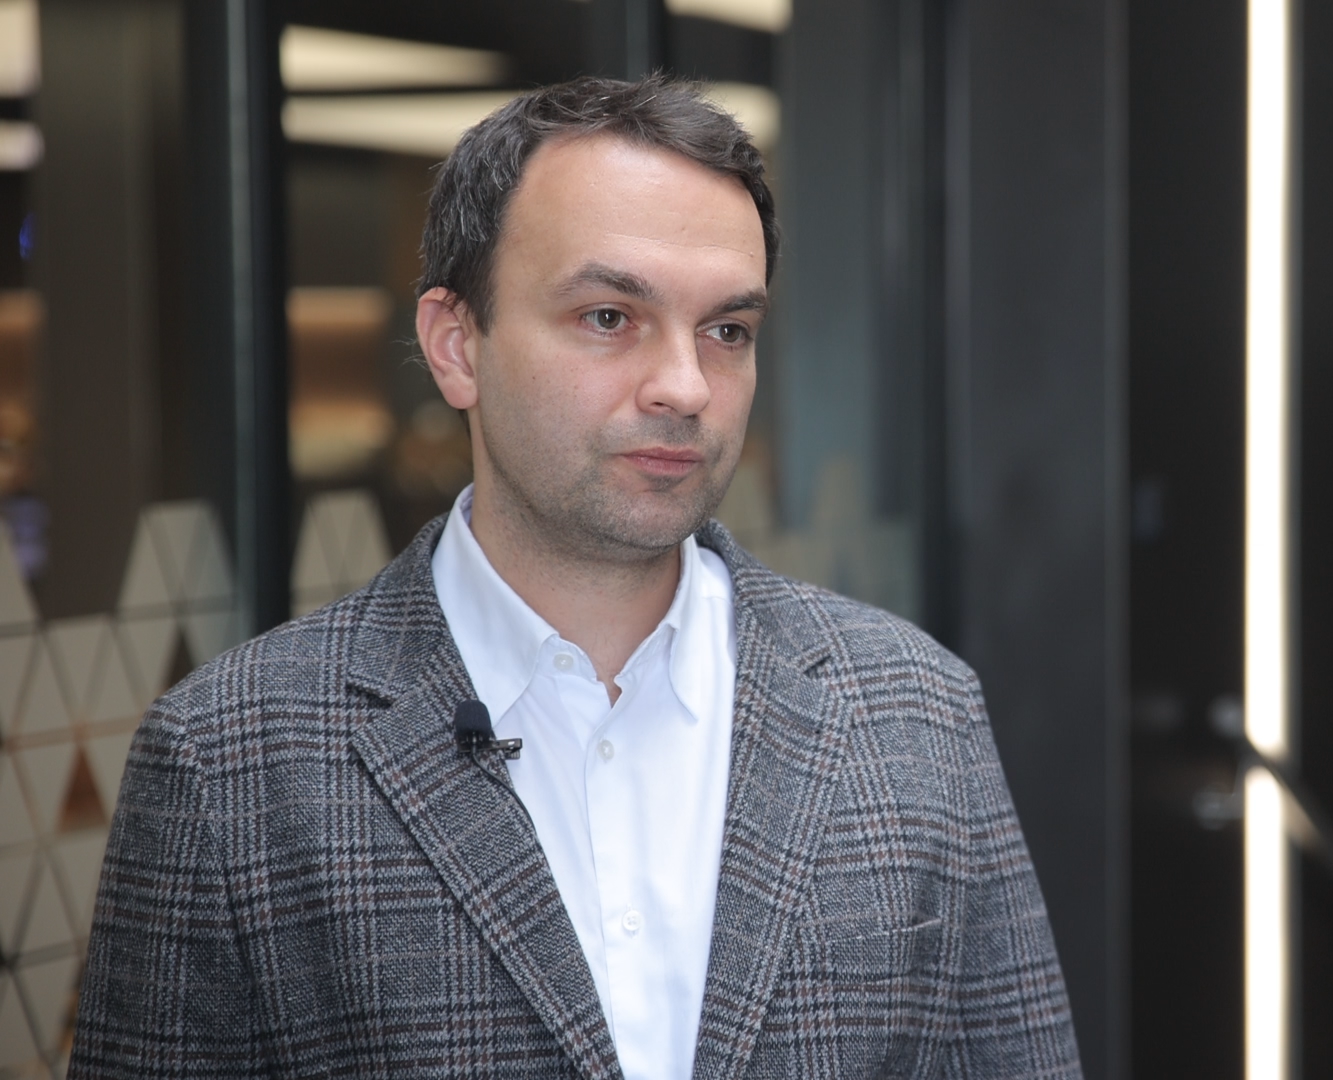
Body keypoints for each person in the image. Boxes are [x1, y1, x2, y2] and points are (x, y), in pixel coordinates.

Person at [70, 75, 1080, 1079]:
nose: (686, 385)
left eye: (727, 330)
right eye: (609, 317)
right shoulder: (231, 762)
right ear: (456, 346)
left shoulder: (915, 709)